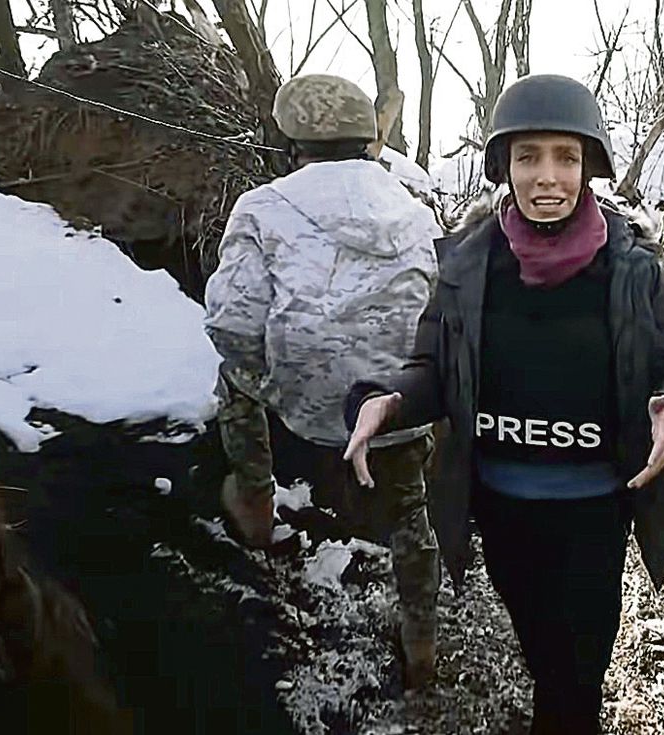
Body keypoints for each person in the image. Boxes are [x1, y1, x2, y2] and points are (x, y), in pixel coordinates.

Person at [343, 74, 664, 734]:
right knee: (545, 654)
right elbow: (432, 366)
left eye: (566, 157)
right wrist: (389, 401)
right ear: (504, 168)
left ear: (589, 167)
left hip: (596, 506)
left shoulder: (633, 268)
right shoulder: (466, 265)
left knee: (582, 669)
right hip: (503, 507)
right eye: (528, 156)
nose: (548, 176)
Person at [203, 73, 442, 688]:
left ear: (290, 140)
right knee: (410, 505)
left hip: (304, 407)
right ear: (368, 139)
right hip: (398, 405)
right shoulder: (416, 211)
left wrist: (280, 365)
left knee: (234, 378)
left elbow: (232, 324)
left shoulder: (261, 207)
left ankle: (255, 501)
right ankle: (421, 636)